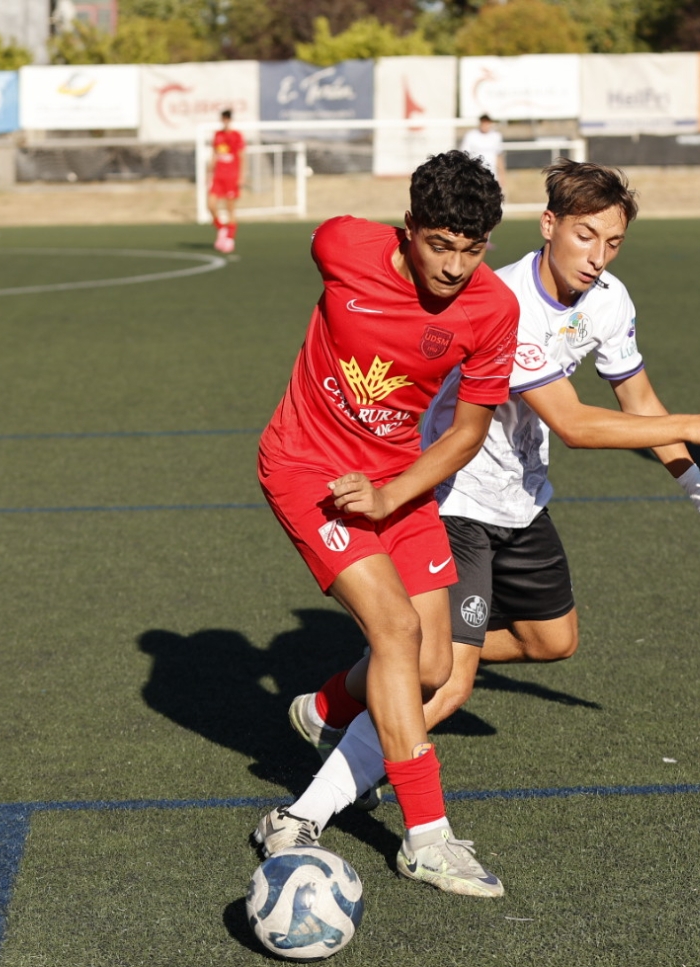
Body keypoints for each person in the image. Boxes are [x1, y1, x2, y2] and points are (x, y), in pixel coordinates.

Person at [265, 161, 700, 880]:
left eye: (613, 242)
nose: (597, 256)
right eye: (585, 235)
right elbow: (572, 423)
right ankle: (319, 819)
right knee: (431, 669)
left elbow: (639, 404)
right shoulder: (497, 297)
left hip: (508, 496)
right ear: (549, 228)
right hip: (449, 497)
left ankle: (329, 705)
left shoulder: (584, 303)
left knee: (538, 642)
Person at [251, 151, 518, 898]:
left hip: (397, 485)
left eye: (472, 249)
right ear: (407, 231)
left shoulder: (492, 310)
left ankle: (328, 706)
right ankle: (427, 838)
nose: (455, 266)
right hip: (305, 470)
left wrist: (391, 491)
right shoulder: (342, 244)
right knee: (395, 634)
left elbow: (465, 434)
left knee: (433, 665)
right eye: (440, 245)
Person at [208, 109, 244, 254]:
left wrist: (241, 176)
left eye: (227, 119)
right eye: (223, 119)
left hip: (231, 177)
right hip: (218, 176)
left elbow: (242, 157)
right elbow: (215, 155)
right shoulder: (217, 135)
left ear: (230, 120)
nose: (225, 121)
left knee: (230, 208)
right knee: (210, 204)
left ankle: (230, 238)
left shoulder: (236, 136)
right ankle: (221, 228)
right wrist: (208, 172)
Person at [459, 114, 504, 186]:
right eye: (483, 123)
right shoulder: (471, 136)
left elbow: (499, 156)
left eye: (487, 123)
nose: (485, 125)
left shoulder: (496, 136)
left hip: (492, 174)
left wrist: (502, 175)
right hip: (476, 175)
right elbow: (464, 156)